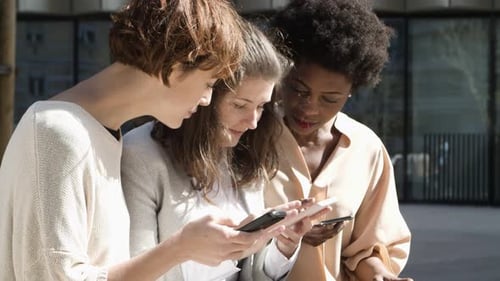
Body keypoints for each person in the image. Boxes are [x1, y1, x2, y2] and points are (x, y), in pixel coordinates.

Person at [0, 0, 252, 280]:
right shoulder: (57, 131)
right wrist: (179, 248)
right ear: (176, 65)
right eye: (209, 83)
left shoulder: (101, 134)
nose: (207, 99)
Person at [121, 20, 322, 281]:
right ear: (206, 93)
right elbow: (135, 269)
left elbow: (253, 272)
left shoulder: (245, 153)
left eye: (261, 106)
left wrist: (284, 244)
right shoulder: (142, 153)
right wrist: (190, 246)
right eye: (240, 105)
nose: (253, 122)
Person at [264, 0, 413, 280]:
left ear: (352, 91)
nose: (309, 108)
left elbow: (366, 251)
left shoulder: (367, 150)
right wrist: (284, 235)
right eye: (298, 89)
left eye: (330, 99)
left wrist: (380, 273)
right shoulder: (248, 136)